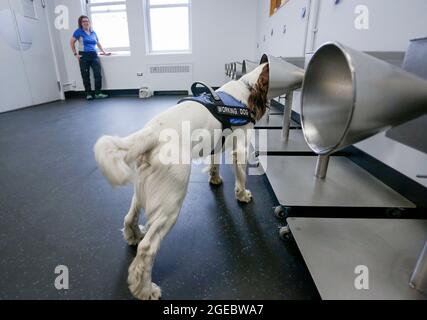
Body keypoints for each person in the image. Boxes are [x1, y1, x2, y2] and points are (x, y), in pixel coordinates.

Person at [70, 15, 111, 100]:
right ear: (81, 23)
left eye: (87, 21)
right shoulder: (78, 32)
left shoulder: (93, 32)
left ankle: (97, 93)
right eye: (83, 21)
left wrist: (104, 52)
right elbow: (71, 42)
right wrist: (75, 54)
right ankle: (88, 94)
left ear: (89, 22)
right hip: (84, 56)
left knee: (98, 74)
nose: (85, 22)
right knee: (85, 75)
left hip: (94, 55)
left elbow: (98, 43)